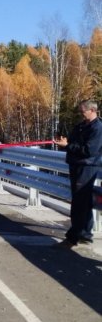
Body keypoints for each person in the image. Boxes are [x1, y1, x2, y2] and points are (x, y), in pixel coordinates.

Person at [52, 99, 102, 248]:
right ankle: (85, 234)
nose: (81, 113)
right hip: (76, 165)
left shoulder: (98, 128)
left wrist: (68, 146)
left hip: (87, 167)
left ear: (92, 110)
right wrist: (65, 142)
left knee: (79, 203)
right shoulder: (81, 126)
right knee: (84, 201)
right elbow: (73, 142)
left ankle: (72, 238)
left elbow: (89, 151)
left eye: (83, 111)